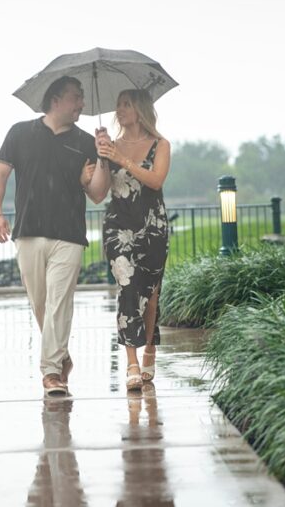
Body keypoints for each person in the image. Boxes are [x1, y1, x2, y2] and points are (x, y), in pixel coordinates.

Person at [0, 76, 98, 397]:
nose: (81, 104)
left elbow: (97, 195)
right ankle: (61, 356)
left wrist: (97, 164)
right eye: (76, 97)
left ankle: (51, 373)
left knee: (59, 303)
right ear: (55, 100)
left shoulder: (86, 141)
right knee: (41, 304)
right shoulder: (20, 133)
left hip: (70, 234)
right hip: (28, 232)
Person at [87, 89, 171, 391]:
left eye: (126, 104)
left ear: (140, 109)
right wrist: (101, 157)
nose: (119, 109)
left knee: (149, 296)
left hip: (152, 226)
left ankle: (149, 346)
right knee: (127, 288)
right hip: (118, 226)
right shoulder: (110, 147)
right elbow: (97, 194)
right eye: (118, 104)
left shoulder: (160, 145)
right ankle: (132, 363)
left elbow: (156, 180)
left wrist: (122, 158)